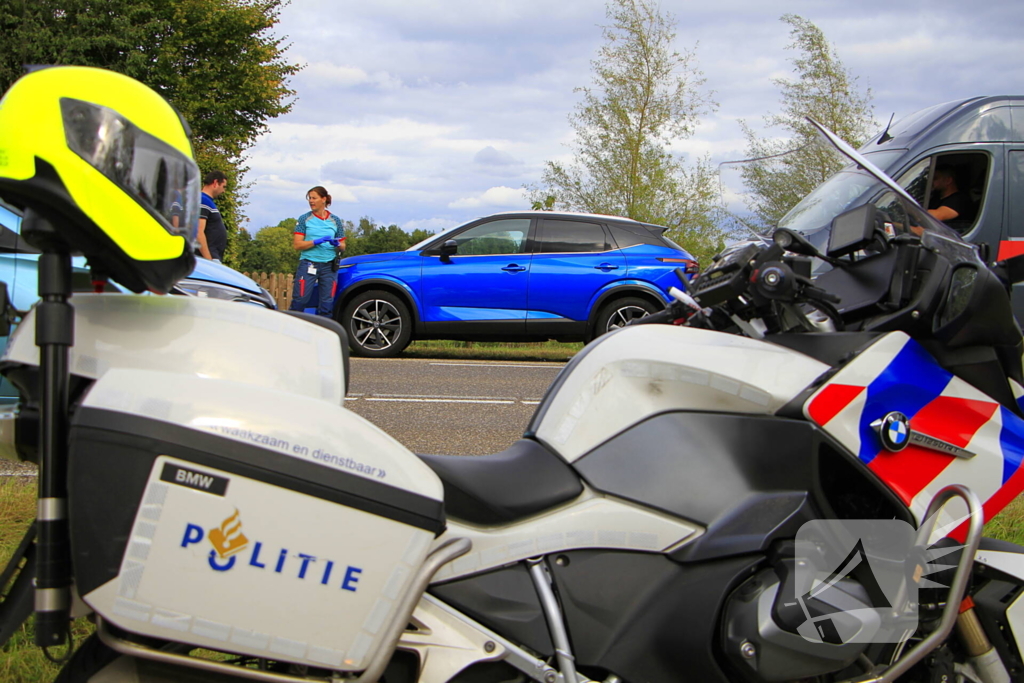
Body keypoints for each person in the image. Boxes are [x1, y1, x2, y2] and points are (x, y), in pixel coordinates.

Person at [290, 186, 346, 316]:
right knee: (300, 299)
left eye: (314, 198)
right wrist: (315, 242)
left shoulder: (335, 220)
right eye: (309, 198)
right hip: (309, 264)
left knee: (327, 303)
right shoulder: (304, 219)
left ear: (323, 199)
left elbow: (343, 245)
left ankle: (324, 332)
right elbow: (297, 245)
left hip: (329, 266)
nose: (311, 201)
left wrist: (337, 243)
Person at [198, 170, 228, 261]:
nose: (223, 191)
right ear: (215, 183)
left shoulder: (207, 201)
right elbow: (198, 232)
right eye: (223, 187)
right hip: (207, 258)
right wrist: (209, 260)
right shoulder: (202, 200)